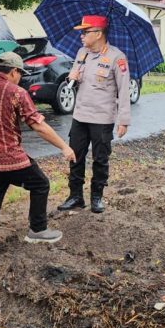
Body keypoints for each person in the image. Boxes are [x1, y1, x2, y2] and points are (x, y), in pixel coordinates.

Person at [0, 52, 76, 264]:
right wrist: (64, 146)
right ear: (13, 71)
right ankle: (37, 230)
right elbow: (37, 125)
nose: (20, 78)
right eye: (20, 73)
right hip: (10, 159)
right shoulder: (16, 92)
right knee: (40, 184)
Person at [57, 15, 131, 214]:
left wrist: (123, 120)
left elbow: (124, 90)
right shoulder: (82, 53)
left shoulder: (117, 57)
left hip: (102, 118)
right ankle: (75, 196)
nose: (81, 36)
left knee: (100, 159)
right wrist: (71, 77)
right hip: (80, 116)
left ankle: (97, 197)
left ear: (98, 34)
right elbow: (75, 79)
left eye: (85, 32)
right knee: (75, 156)